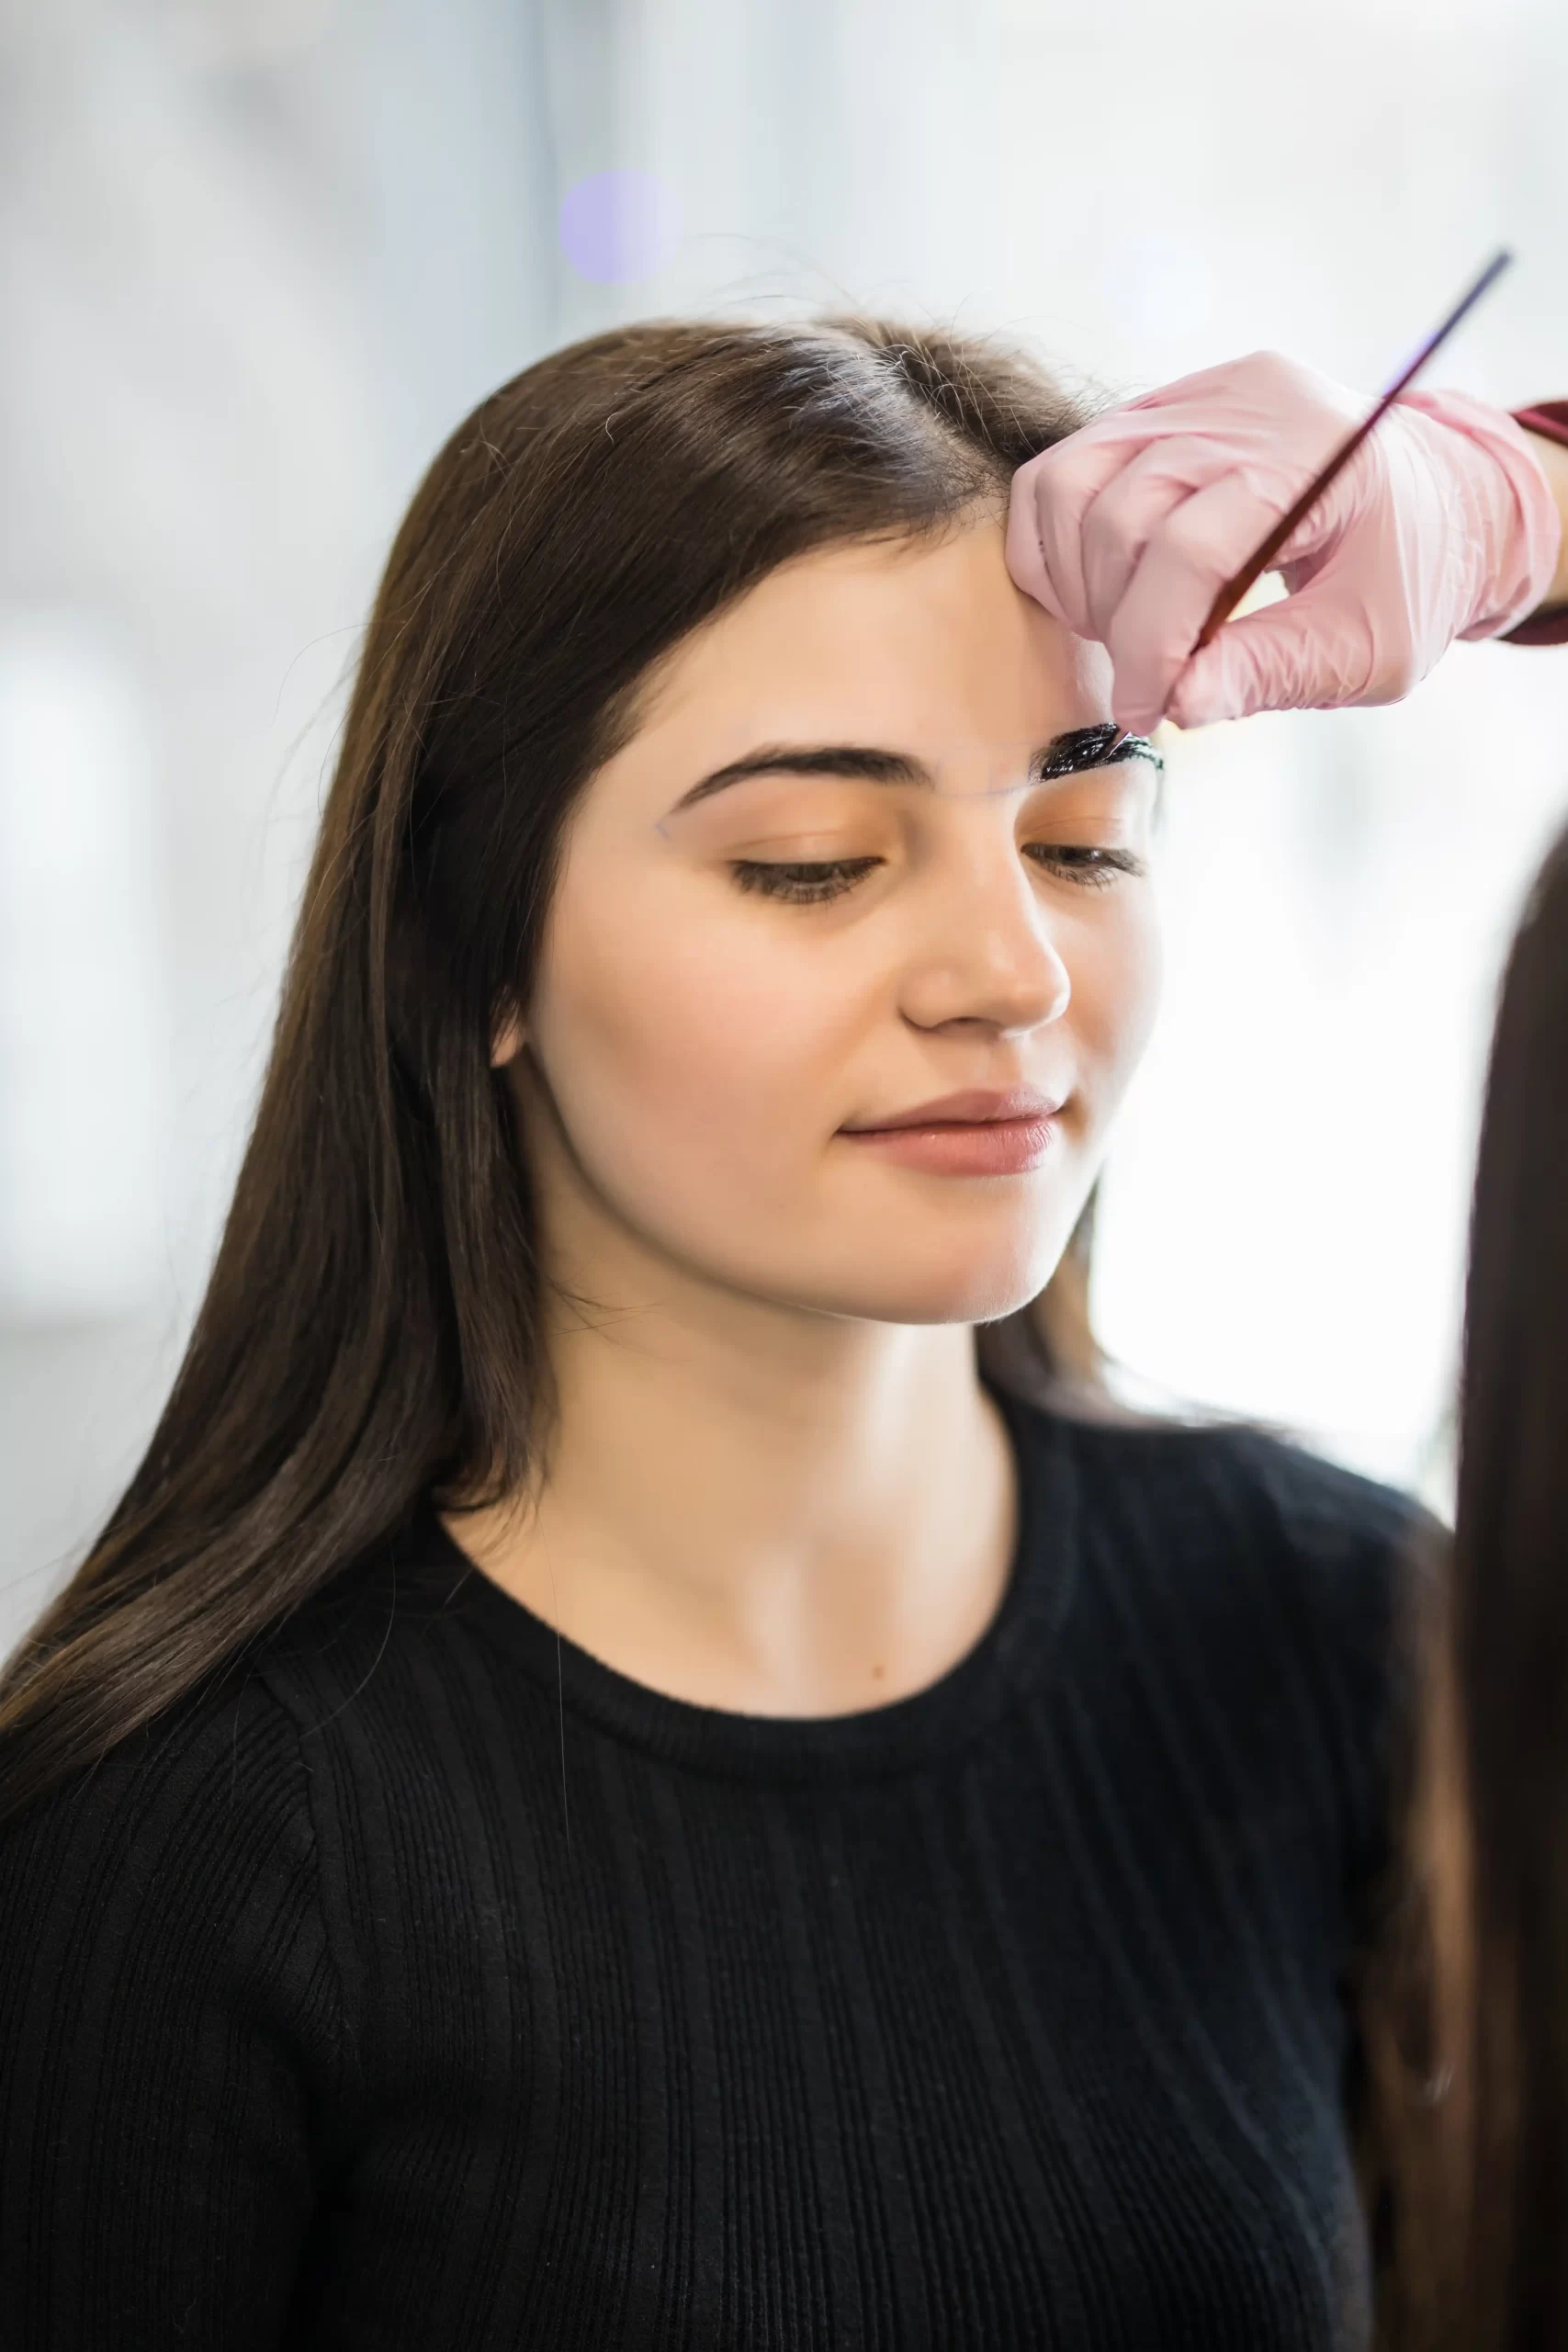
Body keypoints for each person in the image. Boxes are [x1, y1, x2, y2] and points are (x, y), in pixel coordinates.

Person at [0, 315, 1563, 2350]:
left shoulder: (1333, 1623)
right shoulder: (183, 1845)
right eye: (810, 865)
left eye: (1087, 837)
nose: (1008, 965)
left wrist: (1532, 510)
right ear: (470, 950)